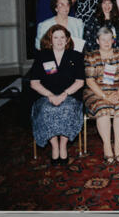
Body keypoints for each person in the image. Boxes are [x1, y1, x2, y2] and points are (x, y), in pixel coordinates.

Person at [30, 25, 84, 165]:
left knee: (66, 109)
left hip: (70, 96)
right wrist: (50, 96)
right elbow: (34, 83)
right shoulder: (42, 56)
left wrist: (64, 95)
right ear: (50, 39)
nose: (59, 40)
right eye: (56, 37)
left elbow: (80, 82)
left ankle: (63, 146)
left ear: (67, 40)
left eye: (62, 37)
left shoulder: (75, 56)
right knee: (48, 110)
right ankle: (54, 146)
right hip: (46, 96)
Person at [83, 28, 119, 163]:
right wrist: (104, 96)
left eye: (109, 39)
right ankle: (107, 145)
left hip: (118, 90)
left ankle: (117, 145)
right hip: (96, 92)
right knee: (103, 109)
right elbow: (90, 81)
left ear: (113, 40)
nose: (106, 42)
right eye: (103, 39)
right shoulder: (91, 56)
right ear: (97, 41)